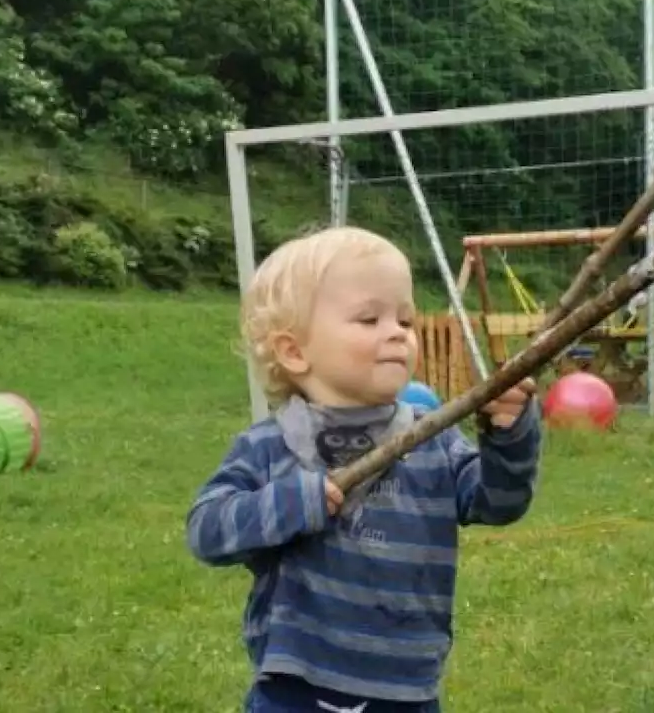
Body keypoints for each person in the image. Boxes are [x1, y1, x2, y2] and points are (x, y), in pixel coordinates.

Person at [185, 226, 542, 713]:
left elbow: (499, 503)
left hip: (407, 689)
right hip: (297, 689)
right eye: (370, 318)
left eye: (405, 319)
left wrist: (508, 433)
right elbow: (206, 530)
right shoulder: (270, 447)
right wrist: (290, 502)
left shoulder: (433, 439)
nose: (397, 332)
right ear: (294, 351)